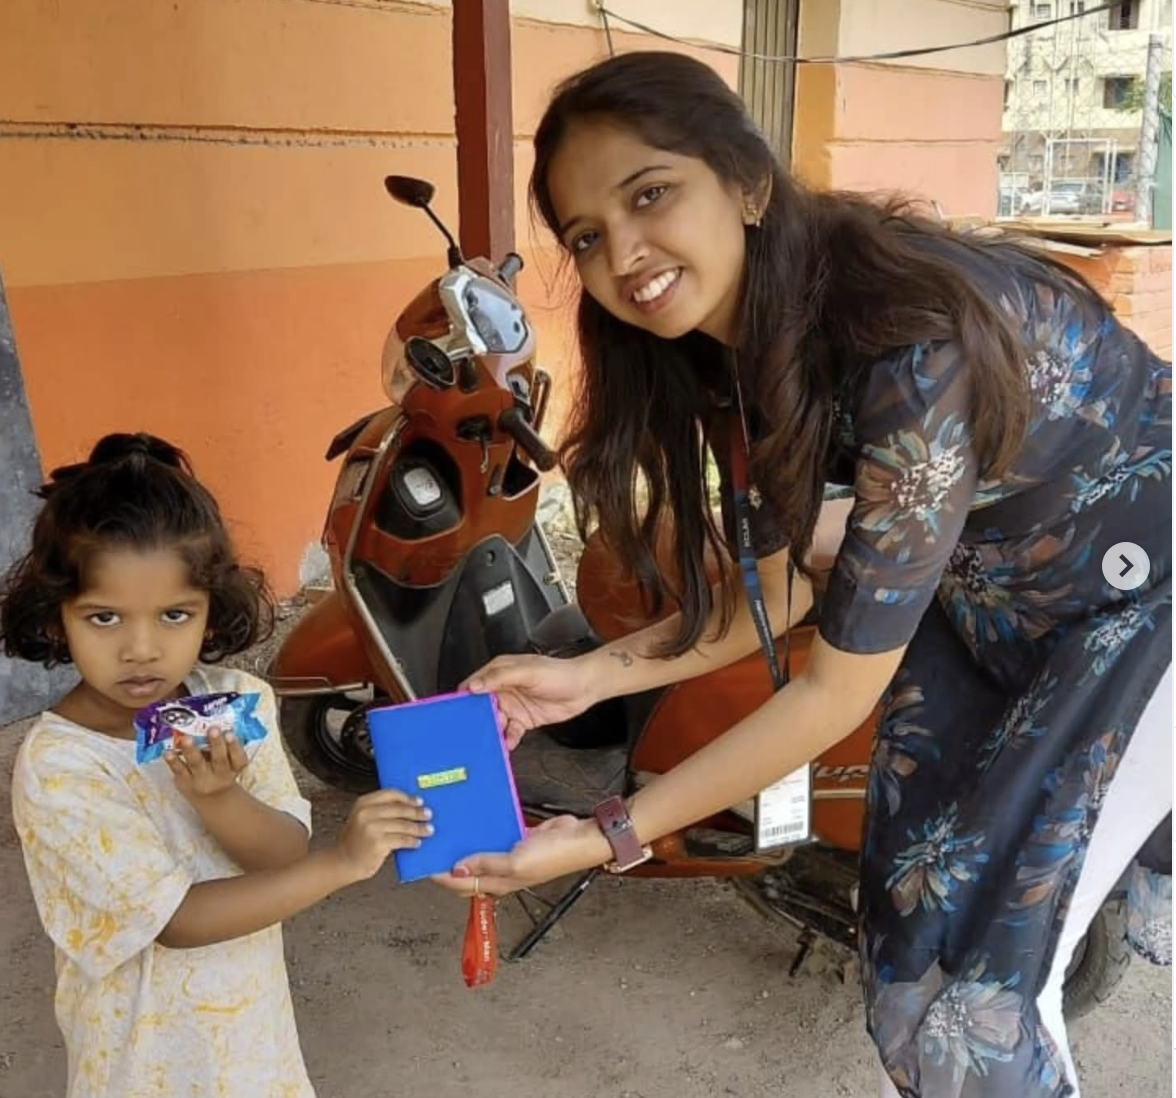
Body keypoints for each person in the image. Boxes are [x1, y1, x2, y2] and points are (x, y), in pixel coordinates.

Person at [434, 52, 1173, 1098]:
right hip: (995, 606)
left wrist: (608, 834)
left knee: (980, 1000)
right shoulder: (749, 340)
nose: (624, 254)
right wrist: (594, 676)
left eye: (651, 195)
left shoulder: (912, 349)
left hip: (1146, 611)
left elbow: (834, 690)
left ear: (746, 181)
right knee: (909, 934)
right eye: (588, 236)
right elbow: (782, 587)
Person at [1, 433, 434, 1098]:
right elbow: (177, 922)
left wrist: (220, 798)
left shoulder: (232, 702)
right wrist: (342, 864)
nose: (141, 649)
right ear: (58, 622)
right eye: (105, 617)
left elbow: (283, 851)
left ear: (211, 610)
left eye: (175, 614)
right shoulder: (62, 768)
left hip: (251, 1050)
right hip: (144, 1068)